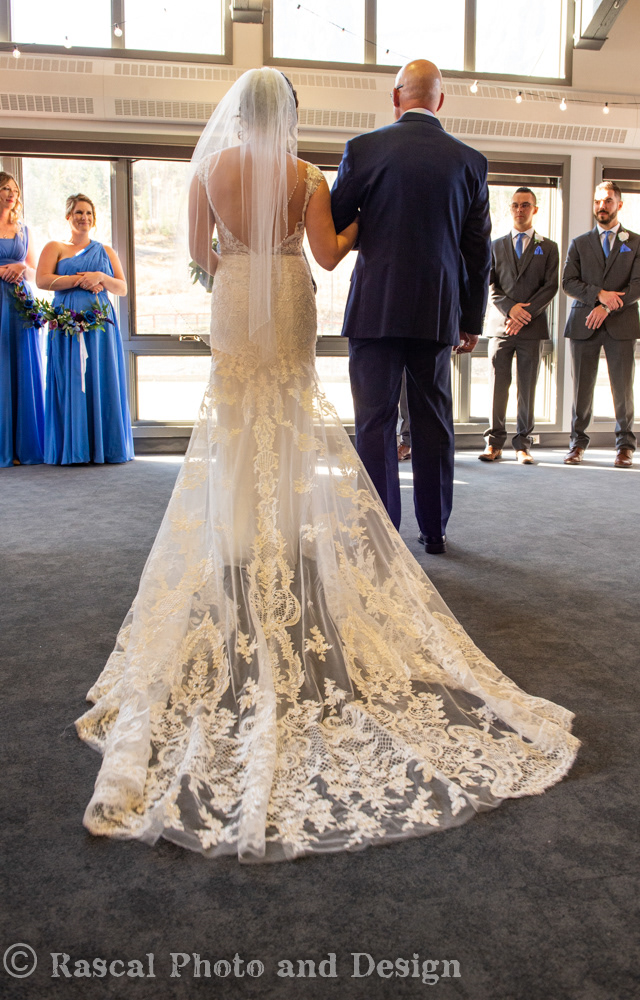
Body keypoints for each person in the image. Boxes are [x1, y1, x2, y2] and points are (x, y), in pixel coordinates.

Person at [75, 68, 578, 863]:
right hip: (288, 294)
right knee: (296, 420)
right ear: (291, 116)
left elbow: (202, 255)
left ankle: (238, 537)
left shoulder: (209, 169)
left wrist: (235, 264)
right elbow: (329, 252)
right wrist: (356, 228)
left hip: (237, 297)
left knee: (238, 420)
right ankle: (312, 530)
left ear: (238, 115)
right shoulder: (308, 175)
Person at [330, 59, 491, 555]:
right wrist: (470, 319)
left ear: (395, 97)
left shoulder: (364, 150)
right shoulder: (469, 162)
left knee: (374, 422)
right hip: (436, 312)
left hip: (375, 308)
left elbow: (336, 224)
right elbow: (478, 251)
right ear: (439, 101)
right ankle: (435, 530)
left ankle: (382, 534)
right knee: (433, 422)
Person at [36, 194, 134, 465]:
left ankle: (105, 447)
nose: (84, 218)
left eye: (89, 213)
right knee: (70, 378)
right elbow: (42, 280)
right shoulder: (54, 247)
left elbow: (122, 288)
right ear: (68, 216)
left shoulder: (105, 251)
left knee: (99, 376)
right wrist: (80, 280)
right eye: (79, 212)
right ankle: (73, 447)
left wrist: (101, 277)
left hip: (100, 326)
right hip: (67, 323)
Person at [479, 188, 559, 465]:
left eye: (525, 205)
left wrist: (525, 314)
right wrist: (510, 309)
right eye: (515, 205)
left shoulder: (549, 247)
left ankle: (523, 445)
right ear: (510, 209)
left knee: (527, 388)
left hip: (532, 328)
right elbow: (489, 284)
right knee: (497, 387)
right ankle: (494, 444)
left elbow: (550, 287)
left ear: (535, 209)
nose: (519, 209)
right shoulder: (495, 245)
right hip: (500, 328)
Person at [562, 181, 639, 468]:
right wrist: (598, 294)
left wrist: (606, 306)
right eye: (597, 201)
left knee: (623, 388)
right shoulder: (580, 243)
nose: (601, 206)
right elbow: (568, 282)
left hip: (621, 325)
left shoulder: (635, 242)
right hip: (584, 323)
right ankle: (577, 444)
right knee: (582, 388)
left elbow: (637, 285)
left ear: (619, 204)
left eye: (607, 201)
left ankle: (625, 446)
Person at [0, 171, 45, 467]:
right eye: (4, 188)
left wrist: (19, 266)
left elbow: (35, 271)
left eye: (14, 189)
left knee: (22, 365)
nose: (11, 193)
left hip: (19, 301)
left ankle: (21, 446)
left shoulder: (23, 228)